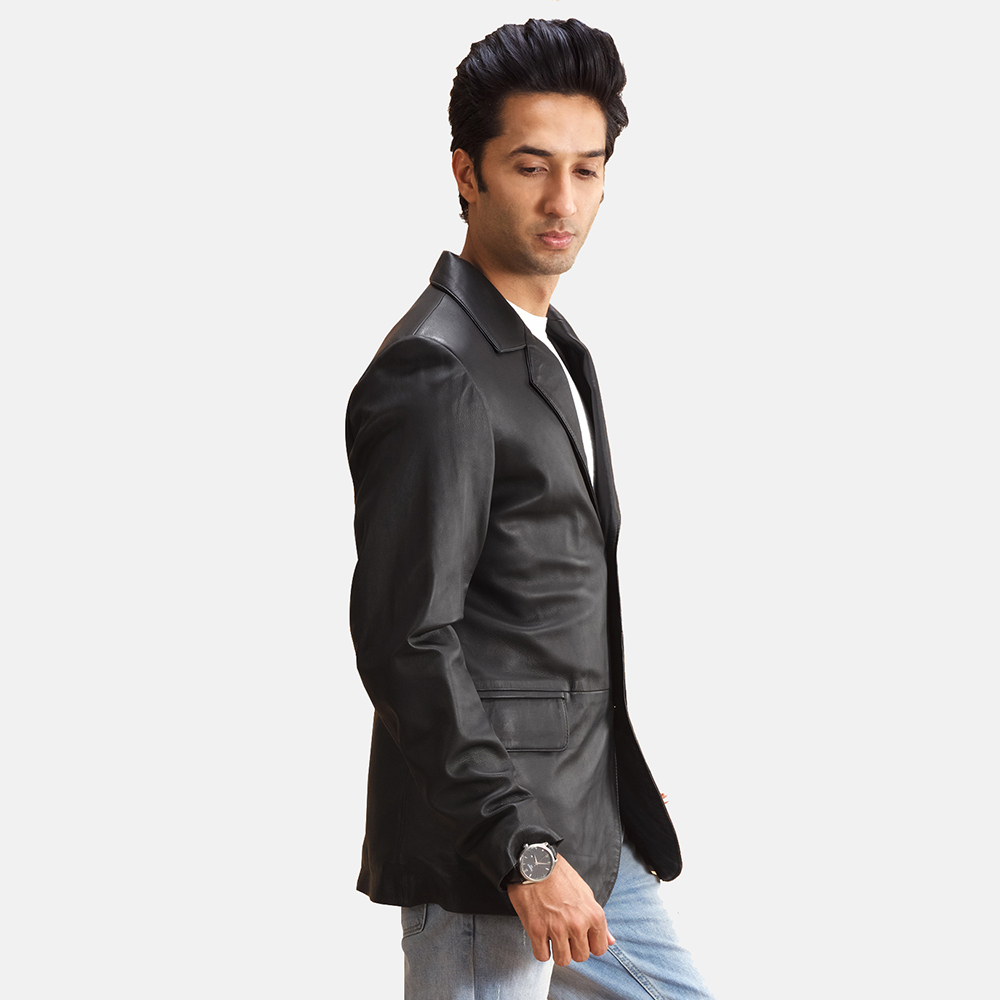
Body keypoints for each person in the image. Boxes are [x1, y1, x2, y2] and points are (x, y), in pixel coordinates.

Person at [346, 18, 716, 1000]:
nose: (563, 201)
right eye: (530, 166)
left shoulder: (548, 347)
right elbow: (407, 640)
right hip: (498, 860)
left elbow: (535, 611)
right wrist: (522, 850)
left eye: (587, 169)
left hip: (585, 822)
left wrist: (607, 767)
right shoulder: (437, 370)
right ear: (466, 173)